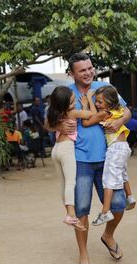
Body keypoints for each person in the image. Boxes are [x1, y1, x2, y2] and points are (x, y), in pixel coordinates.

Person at [56, 53, 131, 264]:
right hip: (80, 161)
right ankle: (83, 255)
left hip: (108, 158)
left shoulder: (104, 87)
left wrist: (119, 121)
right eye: (83, 70)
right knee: (81, 210)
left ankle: (108, 235)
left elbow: (126, 110)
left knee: (119, 205)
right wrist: (58, 125)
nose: (89, 73)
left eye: (90, 68)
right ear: (72, 73)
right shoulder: (64, 93)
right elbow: (48, 121)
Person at [80, 86, 136, 226]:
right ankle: (130, 197)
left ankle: (105, 212)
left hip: (115, 148)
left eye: (99, 101)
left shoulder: (104, 113)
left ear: (109, 102)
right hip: (124, 147)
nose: (97, 104)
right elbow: (126, 112)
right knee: (122, 173)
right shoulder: (119, 110)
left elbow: (86, 122)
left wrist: (86, 104)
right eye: (96, 101)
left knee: (108, 180)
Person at [47, 86, 97, 232]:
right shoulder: (73, 112)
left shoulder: (54, 113)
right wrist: (88, 100)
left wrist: (83, 105)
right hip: (67, 149)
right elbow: (92, 114)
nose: (74, 103)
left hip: (56, 149)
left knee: (63, 184)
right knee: (71, 183)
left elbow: (49, 125)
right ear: (64, 105)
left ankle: (69, 214)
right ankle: (70, 215)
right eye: (71, 102)